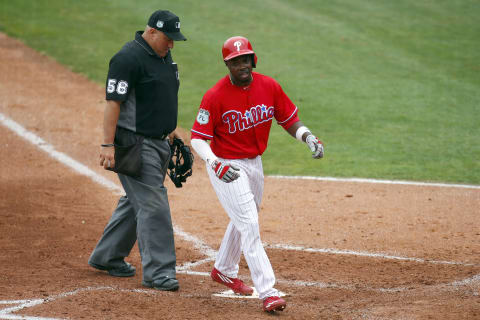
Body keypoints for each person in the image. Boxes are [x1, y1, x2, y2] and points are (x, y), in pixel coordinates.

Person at [190, 36, 324, 312]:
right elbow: (197, 138)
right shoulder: (215, 95)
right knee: (249, 223)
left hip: (254, 164)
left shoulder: (269, 86)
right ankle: (268, 291)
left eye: (246, 59)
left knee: (245, 217)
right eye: (236, 61)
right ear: (228, 64)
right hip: (226, 166)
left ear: (253, 60)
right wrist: (215, 163)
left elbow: (287, 118)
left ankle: (224, 269)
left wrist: (306, 136)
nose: (243, 65)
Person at [88, 10, 187, 292]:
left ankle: (107, 256)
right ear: (152, 32)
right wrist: (107, 144)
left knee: (137, 201)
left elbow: (160, 96)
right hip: (136, 144)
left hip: (160, 143)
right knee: (154, 205)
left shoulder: (163, 56)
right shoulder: (127, 58)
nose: (171, 45)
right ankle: (159, 273)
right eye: (168, 39)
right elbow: (113, 103)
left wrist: (169, 129)